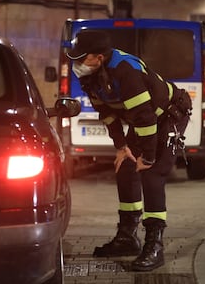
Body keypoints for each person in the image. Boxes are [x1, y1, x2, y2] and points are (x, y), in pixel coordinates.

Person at [66, 30, 192, 272]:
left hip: (167, 117)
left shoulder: (126, 71)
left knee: (152, 174)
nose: (76, 64)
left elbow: (145, 119)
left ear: (99, 57)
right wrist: (122, 147)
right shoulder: (90, 75)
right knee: (126, 168)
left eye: (81, 58)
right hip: (145, 120)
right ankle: (127, 238)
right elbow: (107, 114)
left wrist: (148, 157)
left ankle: (154, 244)